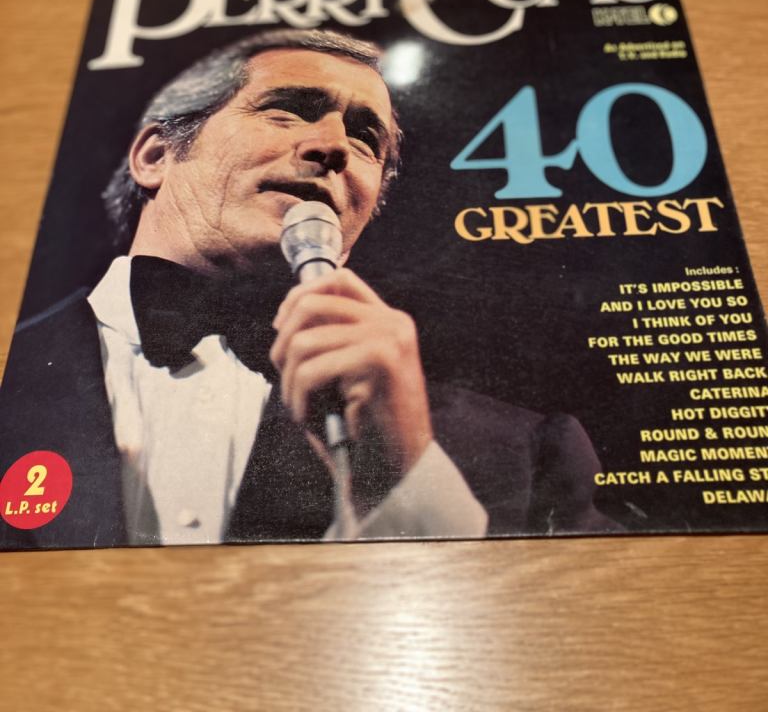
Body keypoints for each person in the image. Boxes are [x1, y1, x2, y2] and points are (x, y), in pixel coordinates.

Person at [0, 29, 615, 549]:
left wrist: (400, 485)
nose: (334, 146)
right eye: (287, 109)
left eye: (367, 139)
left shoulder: (523, 453)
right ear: (156, 155)